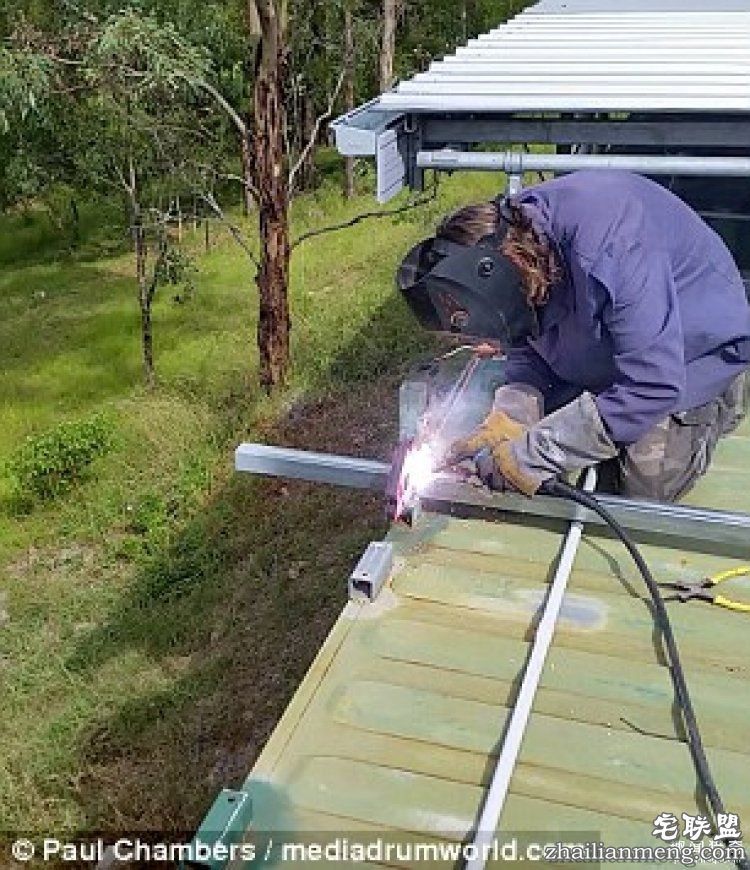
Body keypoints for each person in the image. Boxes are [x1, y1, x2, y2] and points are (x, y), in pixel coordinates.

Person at [396, 170, 750, 501]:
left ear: (501, 272)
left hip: (693, 357)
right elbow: (523, 336)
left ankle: (710, 421)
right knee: (524, 446)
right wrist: (513, 414)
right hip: (605, 348)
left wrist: (535, 455)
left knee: (641, 488)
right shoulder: (517, 246)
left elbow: (652, 387)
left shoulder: (612, 246)